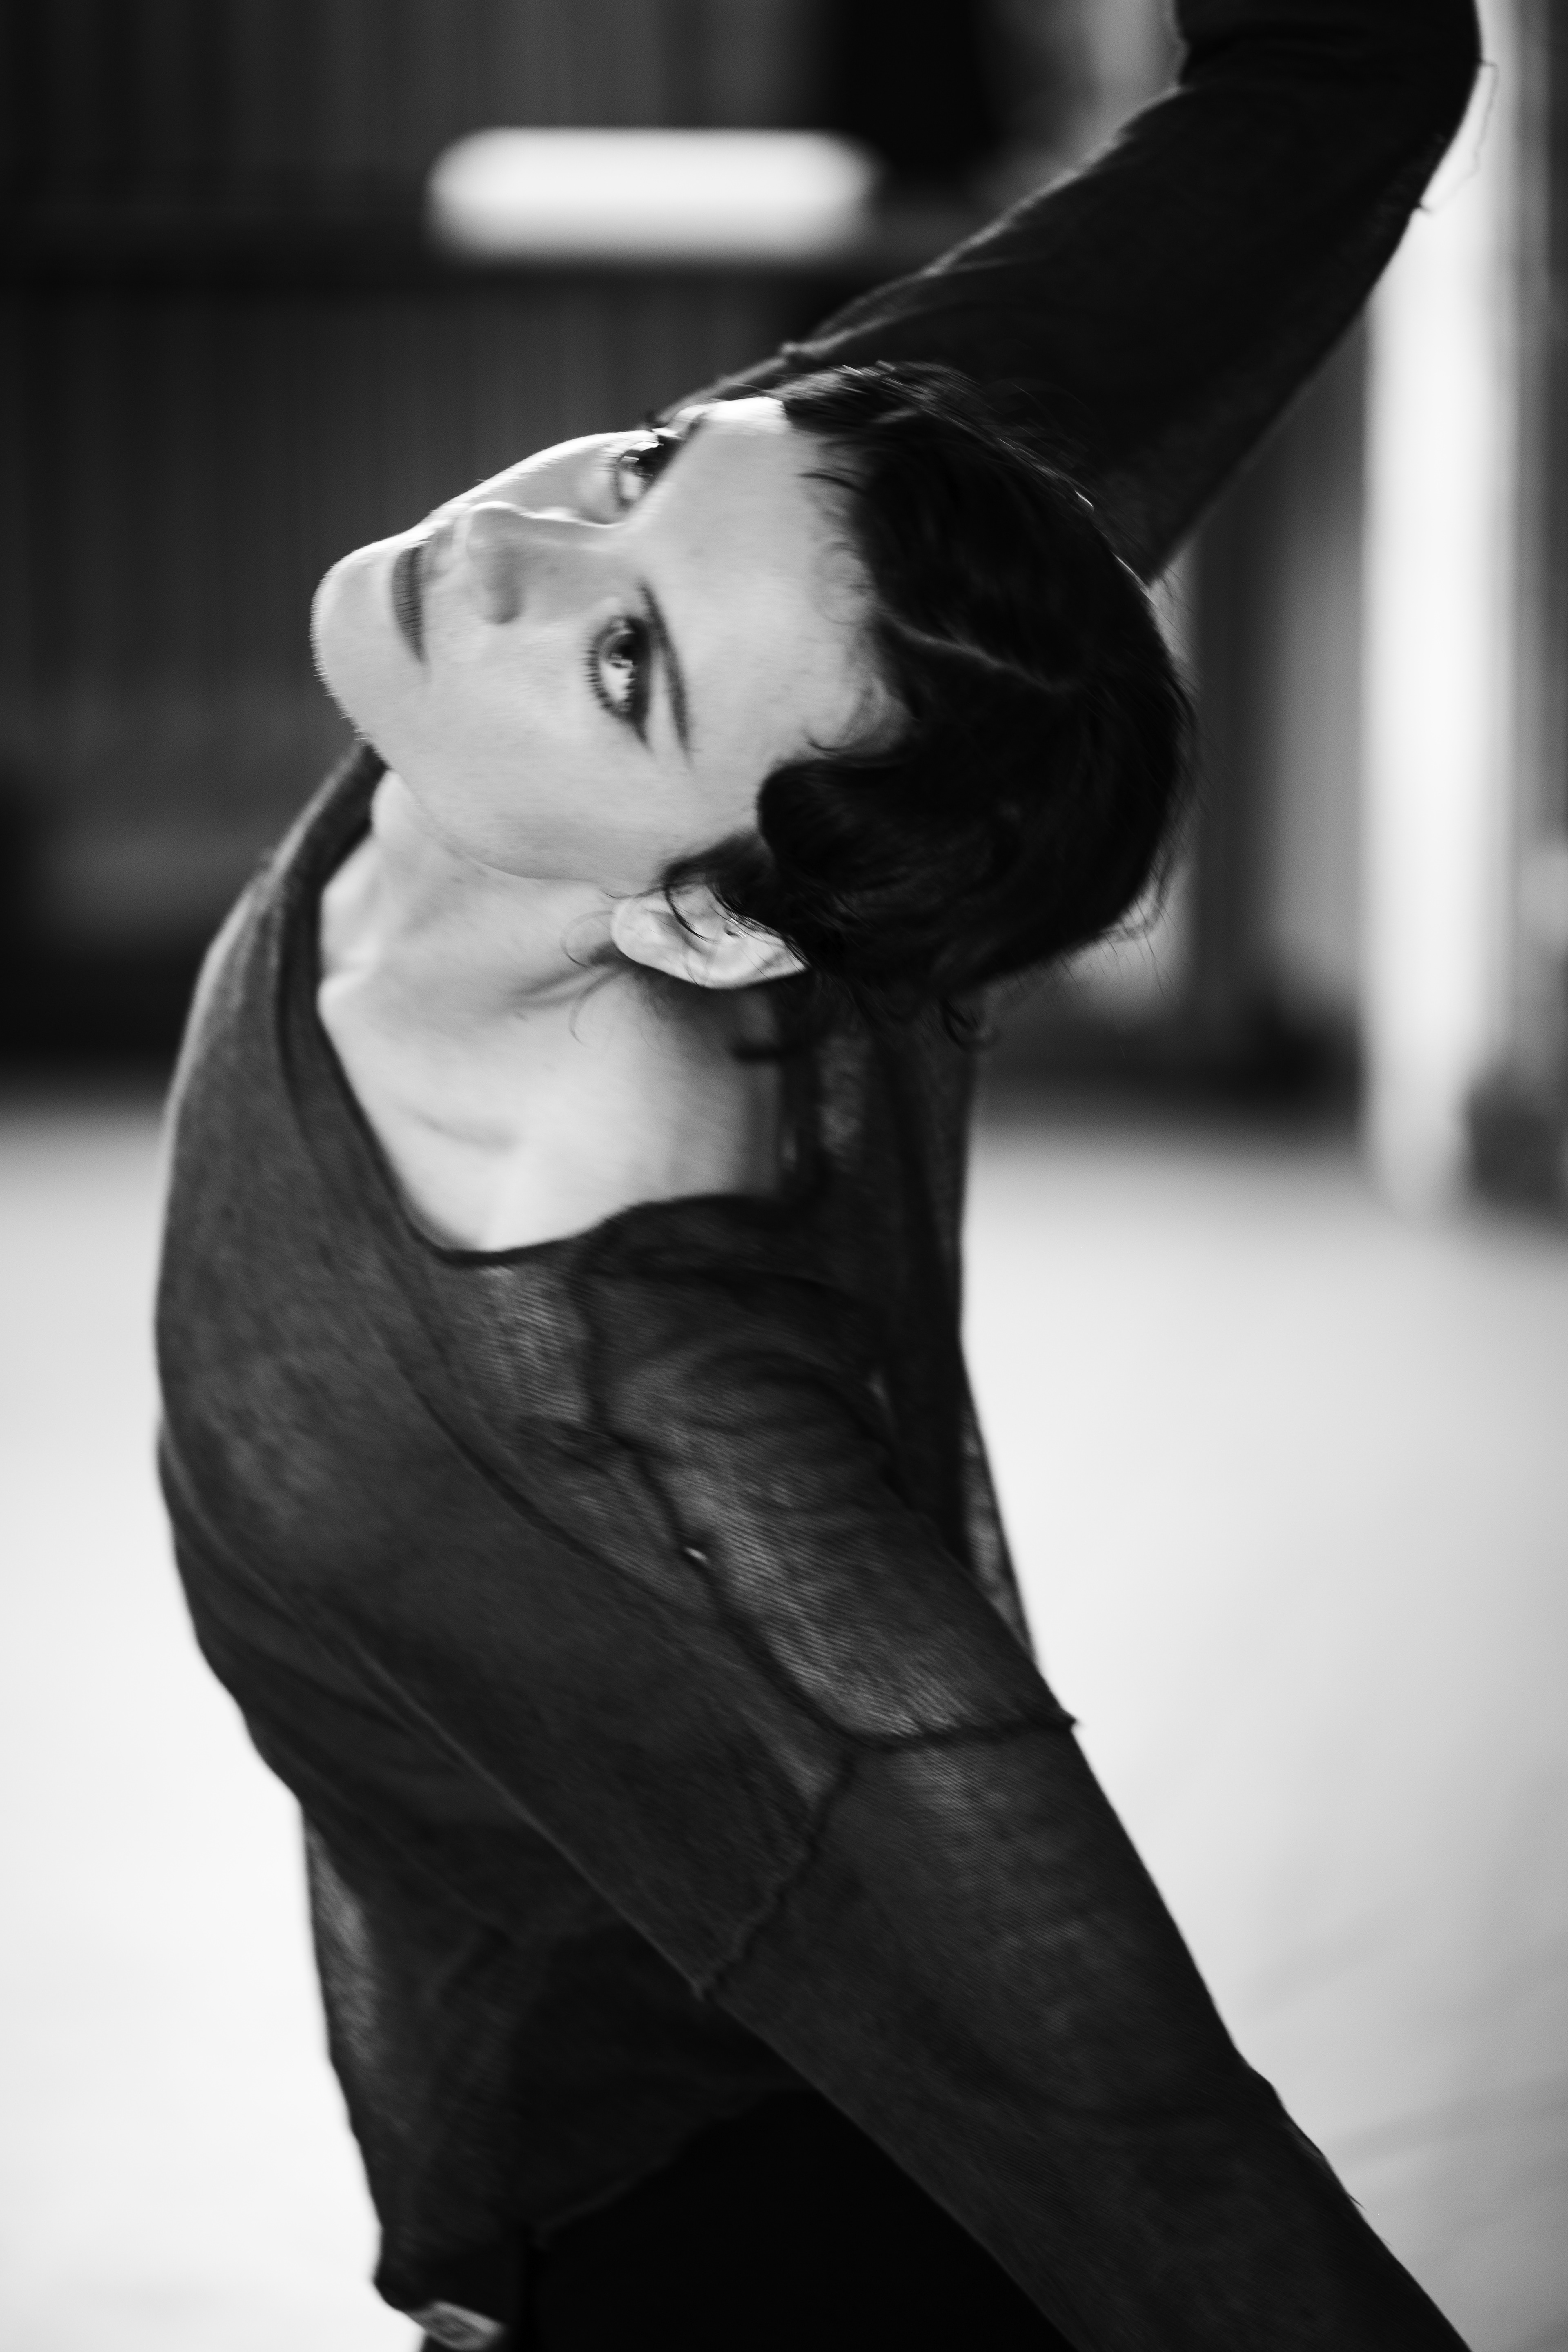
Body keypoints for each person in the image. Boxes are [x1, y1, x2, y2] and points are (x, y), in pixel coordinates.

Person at [156, 2, 1481, 2345]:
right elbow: (1336, 77)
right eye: (644, 459)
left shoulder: (670, 1444)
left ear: (703, 921)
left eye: (632, 667)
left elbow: (1155, 2144)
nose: (516, 545)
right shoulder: (826, 564)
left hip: (701, 2239)